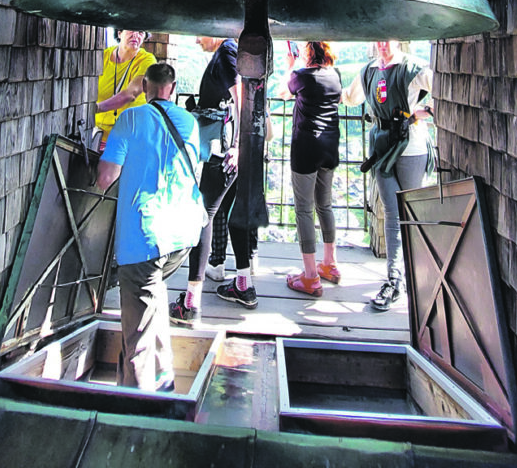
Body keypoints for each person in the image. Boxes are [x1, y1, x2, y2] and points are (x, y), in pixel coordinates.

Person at [96, 62, 203, 392]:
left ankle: (142, 407)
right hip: (182, 238)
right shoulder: (190, 122)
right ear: (171, 89)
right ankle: (152, 386)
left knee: (139, 333)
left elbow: (105, 178)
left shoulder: (130, 119)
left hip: (144, 237)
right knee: (149, 313)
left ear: (145, 86)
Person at [169, 36, 257, 324]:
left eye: (200, 32)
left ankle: (191, 303)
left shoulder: (227, 50)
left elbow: (242, 96)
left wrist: (238, 147)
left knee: (202, 216)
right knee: (233, 218)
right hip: (230, 147)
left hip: (224, 150)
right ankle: (243, 285)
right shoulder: (229, 51)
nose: (195, 39)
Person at [341, 39, 433, 311]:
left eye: (388, 38)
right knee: (394, 214)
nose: (382, 44)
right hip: (381, 149)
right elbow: (349, 97)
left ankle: (411, 276)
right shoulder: (369, 71)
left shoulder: (413, 68)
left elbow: (447, 88)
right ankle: (395, 280)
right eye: (378, 38)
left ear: (399, 40)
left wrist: (420, 113)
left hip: (411, 149)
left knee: (410, 215)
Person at [276, 41, 343, 297]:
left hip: (306, 147)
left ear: (307, 51)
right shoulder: (335, 76)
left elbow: (283, 92)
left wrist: (289, 66)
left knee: (304, 209)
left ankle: (310, 276)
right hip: (330, 145)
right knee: (324, 205)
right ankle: (329, 264)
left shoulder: (302, 76)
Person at [94, 29, 156, 151]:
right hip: (98, 136)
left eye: (141, 32)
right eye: (131, 30)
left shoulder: (147, 60)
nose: (136, 35)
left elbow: (131, 93)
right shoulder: (103, 56)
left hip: (130, 138)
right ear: (119, 33)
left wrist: (94, 109)